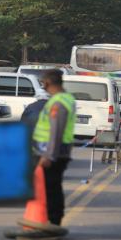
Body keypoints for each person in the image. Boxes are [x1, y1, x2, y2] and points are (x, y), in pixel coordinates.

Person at [32, 69, 76, 227]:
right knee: (50, 187)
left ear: (48, 83)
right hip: (56, 151)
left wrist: (49, 156)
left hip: (53, 153)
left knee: (51, 188)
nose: (43, 87)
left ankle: (54, 221)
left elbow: (57, 131)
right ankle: (51, 219)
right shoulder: (64, 99)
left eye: (43, 83)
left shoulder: (59, 103)